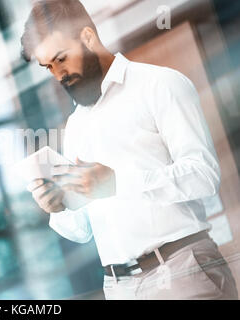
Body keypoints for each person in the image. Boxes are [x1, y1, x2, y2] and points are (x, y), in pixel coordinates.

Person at [21, 0, 238, 300]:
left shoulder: (159, 84)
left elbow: (204, 176)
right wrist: (60, 209)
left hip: (180, 271)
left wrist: (116, 182)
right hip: (118, 287)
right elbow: (84, 230)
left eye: (61, 58)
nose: (58, 74)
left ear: (87, 38)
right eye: (48, 67)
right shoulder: (76, 126)